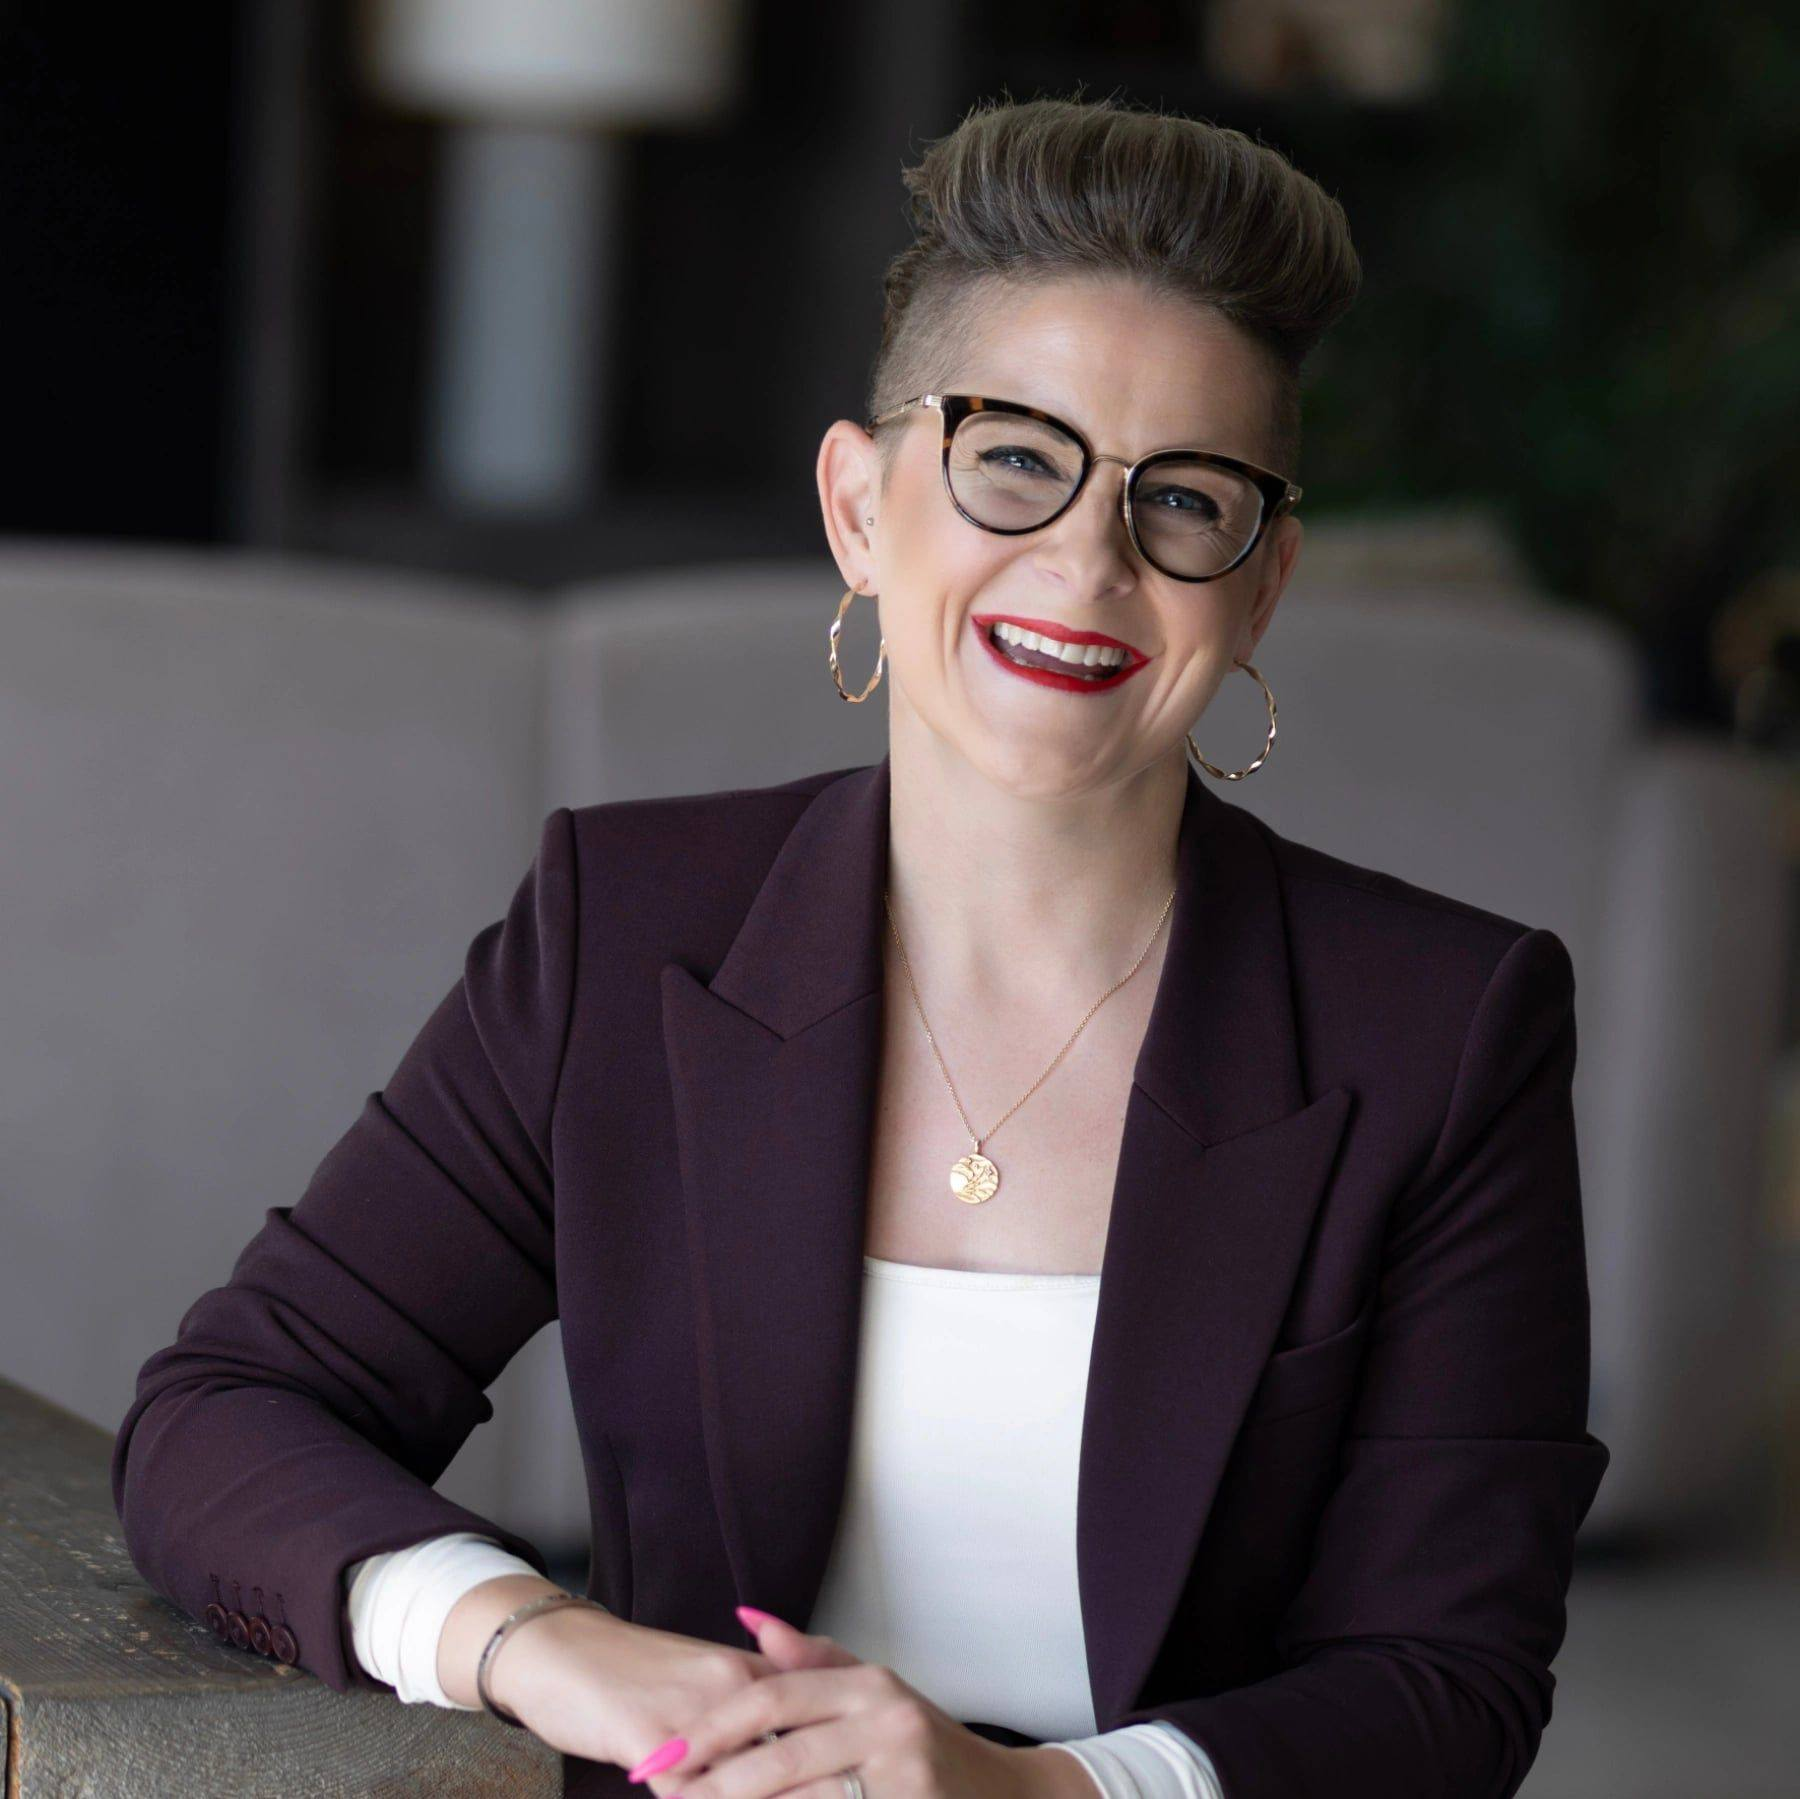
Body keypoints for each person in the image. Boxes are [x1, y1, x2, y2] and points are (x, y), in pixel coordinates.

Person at [112, 94, 1609, 1799]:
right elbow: (229, 1409)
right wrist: (536, 1641)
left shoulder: (1444, 1027)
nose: (1088, 559)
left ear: (1257, 591)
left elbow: (1448, 1679)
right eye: (1015, 456)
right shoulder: (627, 928)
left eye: (1186, 500)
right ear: (857, 503)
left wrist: (1030, 1792)